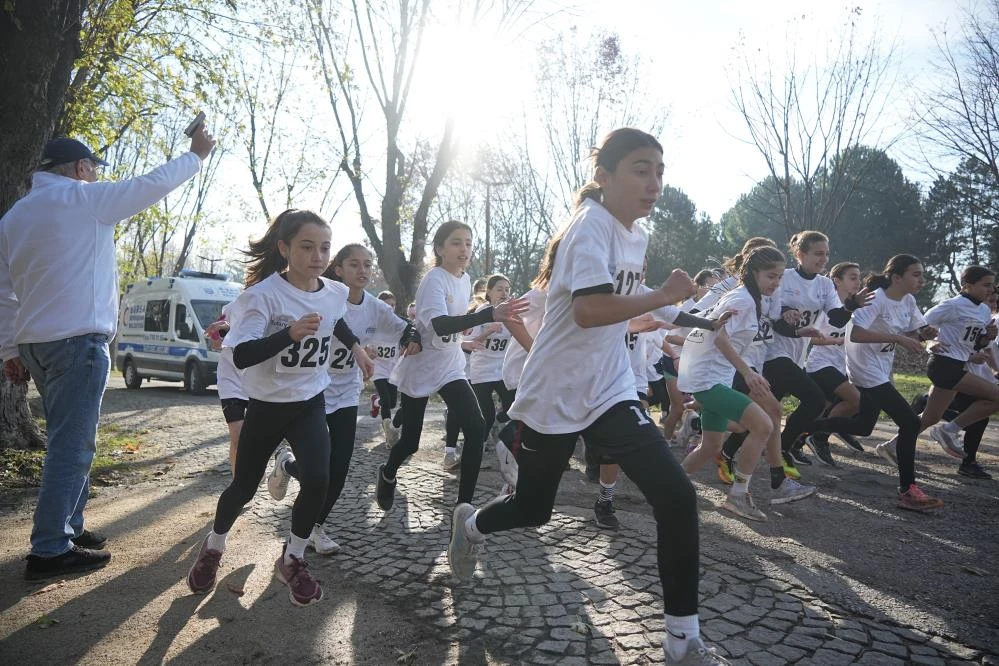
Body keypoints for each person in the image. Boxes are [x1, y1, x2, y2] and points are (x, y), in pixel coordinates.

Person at [446, 128, 729, 665]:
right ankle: (472, 524)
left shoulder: (634, 235)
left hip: (610, 388)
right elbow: (590, 310)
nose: (655, 184)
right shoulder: (589, 227)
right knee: (533, 509)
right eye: (641, 170)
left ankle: (683, 642)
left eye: (660, 171)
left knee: (675, 495)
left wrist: (698, 317)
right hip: (553, 392)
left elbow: (643, 304)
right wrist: (666, 293)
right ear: (604, 176)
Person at [0, 130, 216, 580]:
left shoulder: (14, 217)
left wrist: (9, 348)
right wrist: (195, 157)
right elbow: (149, 185)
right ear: (80, 169)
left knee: (72, 437)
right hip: (78, 341)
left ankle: (69, 526)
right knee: (72, 444)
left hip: (36, 344)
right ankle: (49, 549)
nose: (96, 175)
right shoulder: (84, 199)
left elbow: (3, 292)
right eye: (93, 168)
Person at [185, 209, 358, 606]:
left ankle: (292, 558)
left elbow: (336, 323)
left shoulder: (334, 292)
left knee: (318, 478)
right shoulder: (261, 296)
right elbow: (242, 355)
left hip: (310, 401)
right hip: (265, 404)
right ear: (284, 248)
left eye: (325, 248)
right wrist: (288, 334)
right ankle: (214, 545)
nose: (318, 256)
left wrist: (358, 350)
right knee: (243, 487)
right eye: (307, 247)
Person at [267, 244, 415, 555]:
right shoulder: (325, 296)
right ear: (339, 269)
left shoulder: (376, 307)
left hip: (347, 392)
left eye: (367, 264)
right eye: (354, 264)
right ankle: (288, 466)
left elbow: (404, 328)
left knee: (339, 468)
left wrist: (414, 337)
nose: (362, 270)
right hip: (314, 391)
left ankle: (313, 528)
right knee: (317, 469)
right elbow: (333, 328)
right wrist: (358, 347)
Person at [375, 221, 528, 512]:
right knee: (410, 443)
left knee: (476, 426)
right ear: (440, 248)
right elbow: (441, 324)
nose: (464, 249)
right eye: (457, 242)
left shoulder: (465, 278)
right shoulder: (434, 279)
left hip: (451, 365)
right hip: (422, 365)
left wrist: (472, 334)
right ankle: (388, 472)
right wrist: (487, 314)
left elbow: (456, 328)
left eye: (469, 243)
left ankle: (464, 508)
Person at [679, 246, 816, 521]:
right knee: (764, 424)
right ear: (753, 273)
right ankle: (738, 496)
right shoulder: (742, 300)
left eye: (779, 277)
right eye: (770, 276)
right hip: (709, 380)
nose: (776, 283)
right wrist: (748, 373)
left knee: (710, 447)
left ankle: (667, 484)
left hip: (715, 378)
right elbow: (719, 337)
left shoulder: (749, 298)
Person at [843, 255, 943, 512]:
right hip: (864, 367)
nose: (922, 280)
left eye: (922, 274)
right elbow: (855, 333)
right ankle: (908, 490)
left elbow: (917, 331)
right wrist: (898, 337)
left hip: (881, 369)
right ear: (896, 277)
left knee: (864, 426)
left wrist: (927, 336)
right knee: (910, 421)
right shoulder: (876, 297)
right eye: (916, 274)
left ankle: (806, 428)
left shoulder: (908, 300)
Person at [762, 231, 870, 469]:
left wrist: (851, 305)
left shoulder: (824, 284)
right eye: (818, 254)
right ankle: (781, 449)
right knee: (815, 400)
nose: (824, 259)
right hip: (772, 352)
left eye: (827, 254)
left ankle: (727, 444)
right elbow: (775, 319)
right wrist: (785, 312)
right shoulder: (786, 278)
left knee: (766, 411)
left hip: (796, 355)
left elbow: (837, 319)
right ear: (800, 254)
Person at [878, 267, 999, 466]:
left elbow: (977, 344)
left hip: (959, 365)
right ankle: (949, 430)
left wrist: (987, 337)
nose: (990, 289)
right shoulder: (952, 305)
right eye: (985, 285)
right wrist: (930, 341)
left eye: (992, 285)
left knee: (931, 416)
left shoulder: (985, 311)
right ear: (967, 286)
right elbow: (919, 325)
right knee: (996, 396)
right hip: (943, 364)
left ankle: (891, 446)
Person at [801, 262, 869, 462]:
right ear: (836, 281)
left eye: (859, 277)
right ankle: (821, 436)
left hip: (843, 365)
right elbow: (807, 337)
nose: (858, 282)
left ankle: (796, 442)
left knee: (822, 409)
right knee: (856, 401)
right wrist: (836, 340)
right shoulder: (826, 308)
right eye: (852, 277)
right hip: (820, 364)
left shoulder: (855, 308)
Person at [467, 274, 517, 448]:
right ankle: (477, 449)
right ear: (489, 292)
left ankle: (504, 437)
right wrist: (488, 331)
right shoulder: (482, 312)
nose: (504, 293)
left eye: (507, 289)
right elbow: (470, 343)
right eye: (499, 289)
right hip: (482, 370)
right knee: (486, 414)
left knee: (514, 407)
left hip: (502, 368)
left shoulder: (511, 313)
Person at [205, 304, 246, 475]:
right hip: (231, 382)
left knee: (255, 438)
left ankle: (259, 466)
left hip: (259, 382)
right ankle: (240, 484)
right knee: (238, 436)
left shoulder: (277, 307)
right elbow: (215, 344)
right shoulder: (231, 308)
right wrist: (219, 332)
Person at [370, 290, 405, 444]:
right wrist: (366, 350)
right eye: (386, 305)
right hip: (378, 367)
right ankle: (388, 431)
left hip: (392, 367)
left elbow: (407, 334)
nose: (390, 308)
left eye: (392, 305)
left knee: (391, 403)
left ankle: (375, 402)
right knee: (386, 398)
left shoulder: (397, 323)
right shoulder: (372, 323)